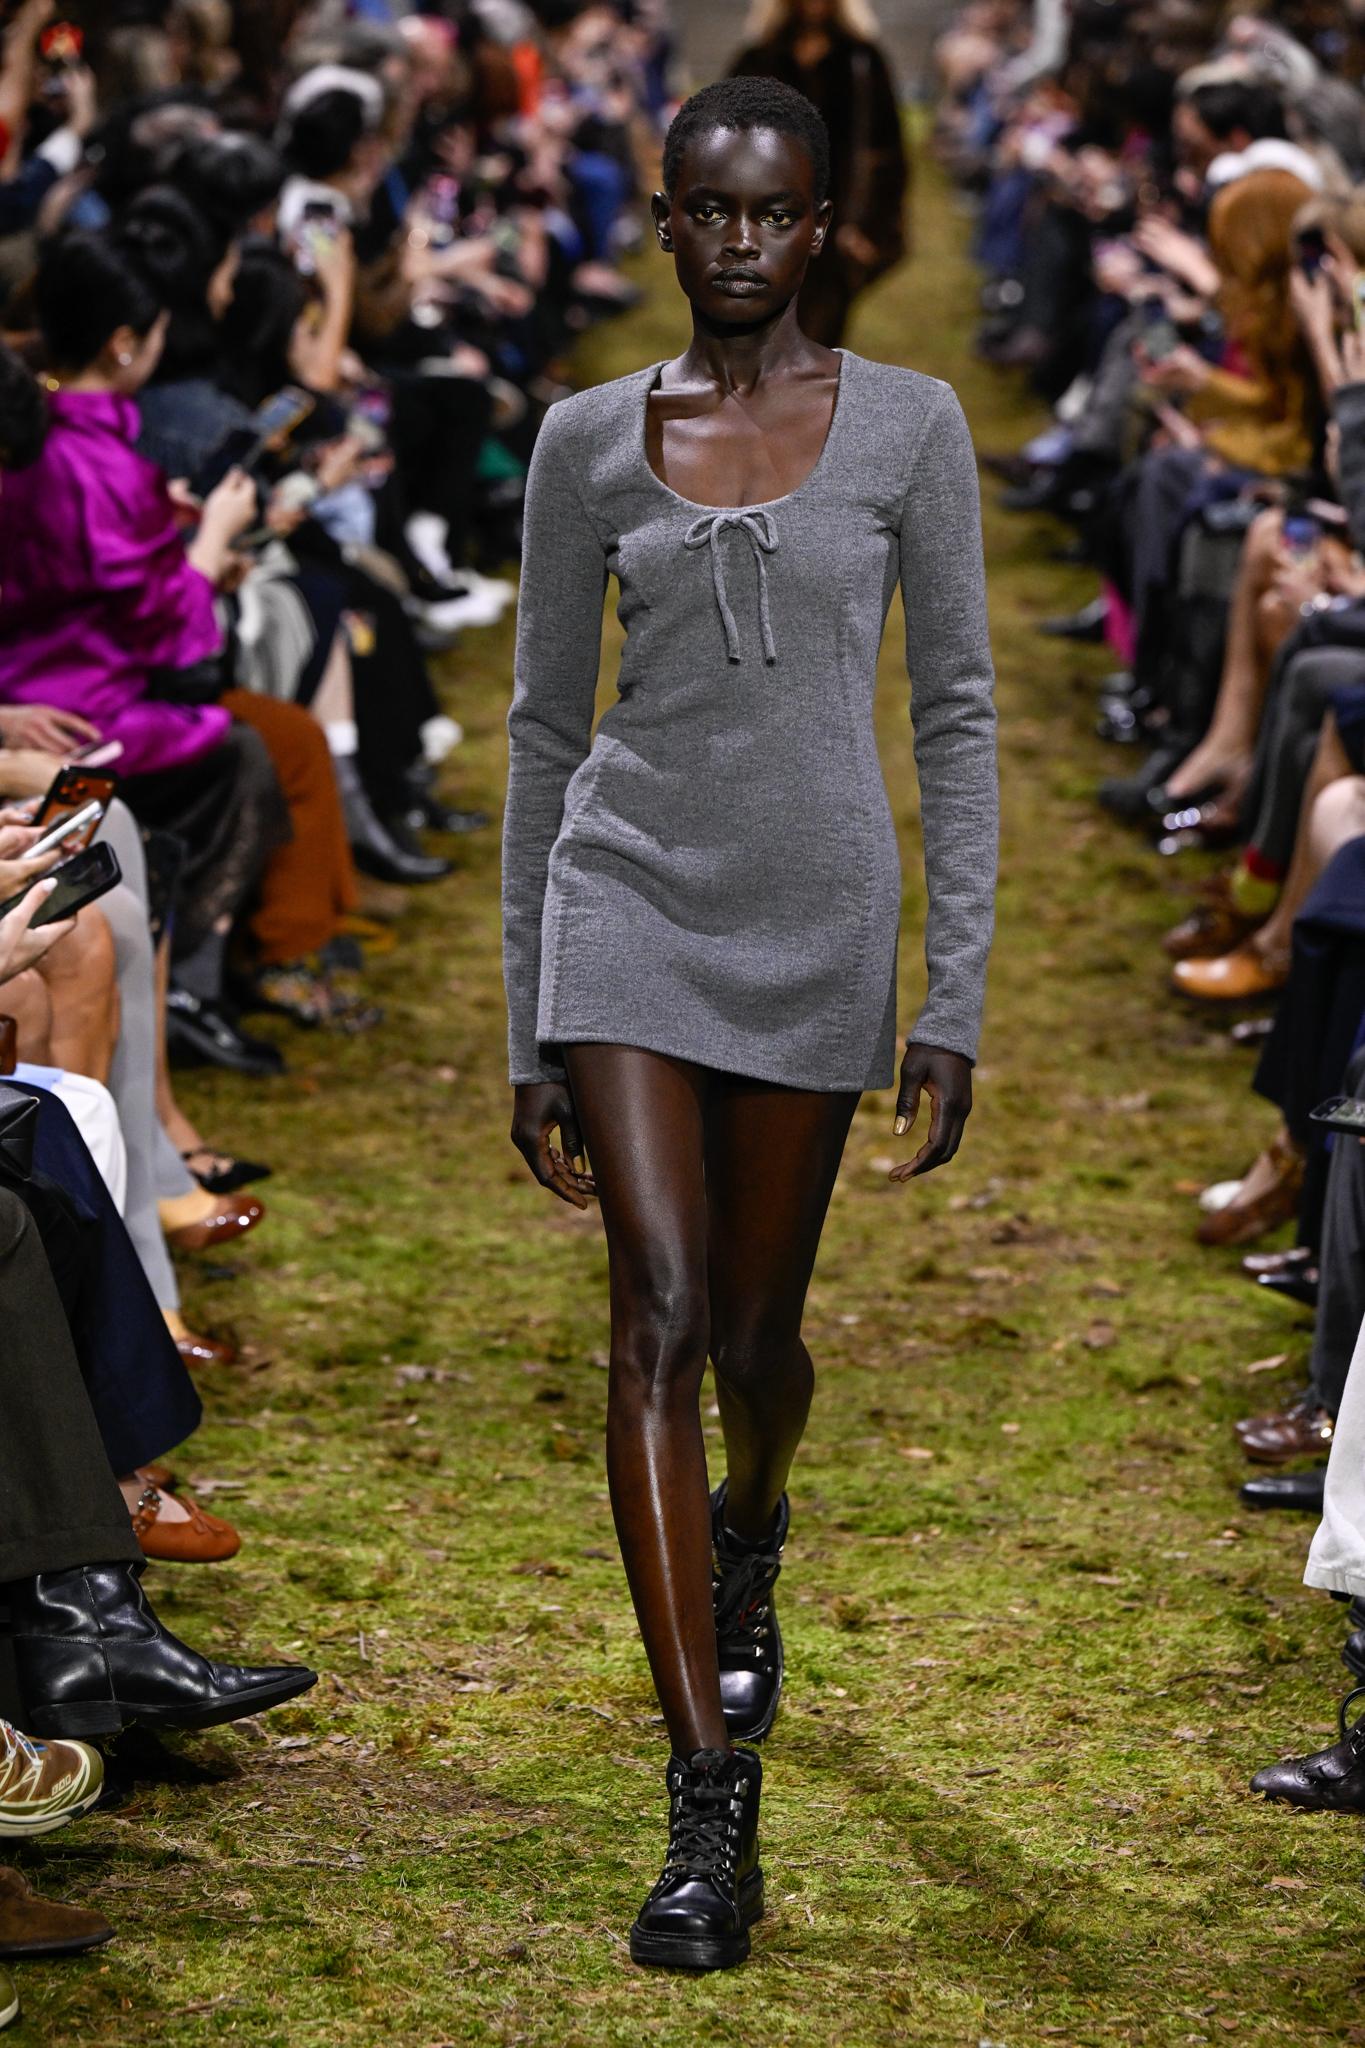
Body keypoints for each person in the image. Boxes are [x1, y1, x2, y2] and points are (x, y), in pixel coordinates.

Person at [501, 75, 997, 1971]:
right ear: (660, 220)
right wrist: (532, 1021)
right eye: (707, 210)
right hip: (625, 896)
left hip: (814, 922)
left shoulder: (911, 427)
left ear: (822, 226)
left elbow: (958, 710)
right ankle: (709, 1803)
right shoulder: (583, 442)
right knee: (656, 1310)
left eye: (773, 212)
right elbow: (544, 731)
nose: (738, 242)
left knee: (758, 1341)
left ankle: (756, 1511)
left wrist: (953, 990)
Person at [727, 0, 909, 344]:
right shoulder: (759, 59)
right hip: (765, 227)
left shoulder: (862, 61)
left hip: (837, 230)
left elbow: (887, 152)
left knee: (816, 342)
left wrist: (872, 228)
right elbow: (724, 143)